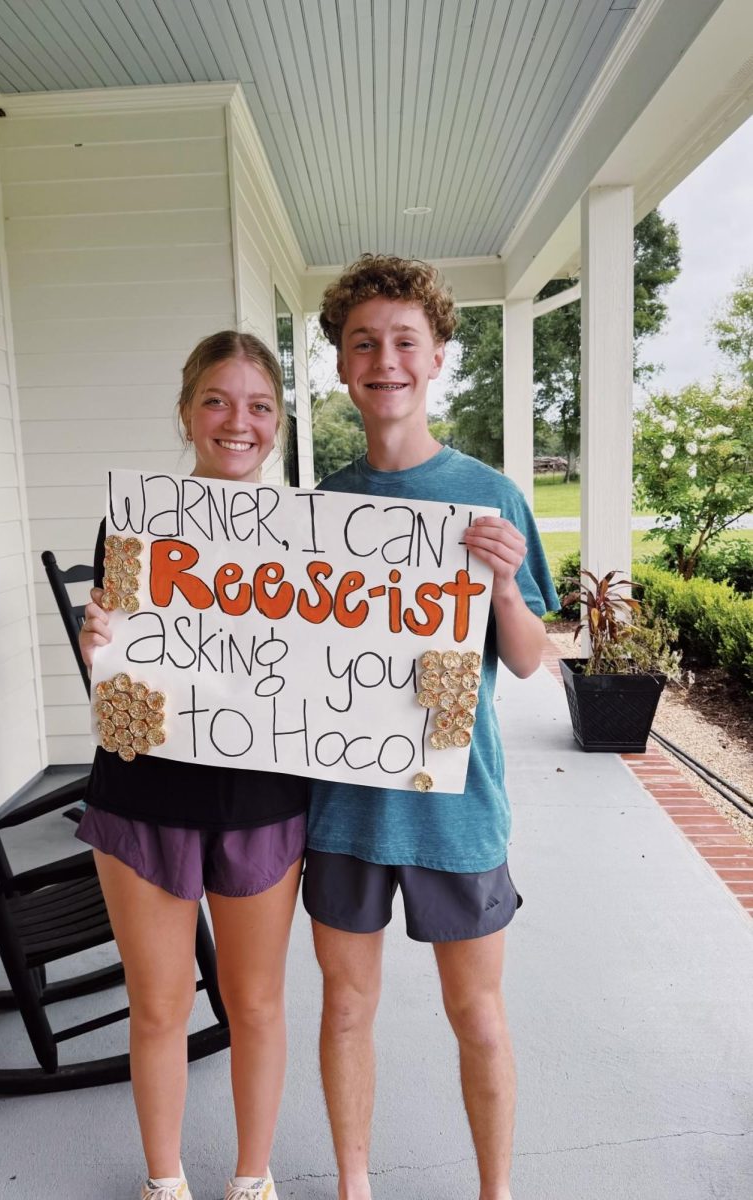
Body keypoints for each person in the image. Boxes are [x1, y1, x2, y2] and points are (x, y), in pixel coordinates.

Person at [302, 255, 559, 1200]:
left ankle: (496, 1191)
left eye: (405, 341)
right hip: (343, 808)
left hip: (457, 805)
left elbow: (529, 659)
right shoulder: (316, 510)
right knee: (344, 1010)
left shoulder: (489, 495)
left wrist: (499, 583)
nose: (386, 359)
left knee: (479, 1014)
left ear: (438, 356)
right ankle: (354, 1183)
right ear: (340, 364)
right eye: (363, 342)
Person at [77, 331, 306, 1200]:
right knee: (161, 1007)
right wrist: (92, 638)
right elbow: (116, 667)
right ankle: (164, 1180)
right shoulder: (133, 520)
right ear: (185, 412)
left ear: (277, 424)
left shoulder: (312, 535)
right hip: (145, 795)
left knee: (255, 1005)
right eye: (216, 400)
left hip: (266, 800)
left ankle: (254, 1177)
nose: (235, 422)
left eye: (258, 406)